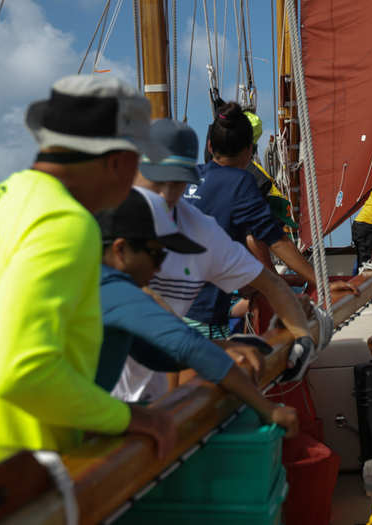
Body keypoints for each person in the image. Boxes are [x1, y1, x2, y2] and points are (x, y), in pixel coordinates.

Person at [0, 75, 176, 514]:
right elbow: (21, 370)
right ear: (115, 161)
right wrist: (129, 417)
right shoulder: (66, 223)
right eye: (138, 161)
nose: (137, 177)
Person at [113, 119, 319, 403]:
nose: (168, 193)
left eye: (178, 180)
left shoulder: (200, 230)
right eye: (158, 180)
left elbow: (271, 284)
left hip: (149, 401)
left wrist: (302, 337)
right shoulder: (100, 224)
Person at [94, 188, 299, 438]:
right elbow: (189, 348)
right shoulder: (115, 290)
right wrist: (269, 410)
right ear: (120, 250)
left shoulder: (93, 281)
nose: (160, 268)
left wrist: (220, 347)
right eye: (156, 254)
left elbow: (153, 354)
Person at [184, 101, 357, 335]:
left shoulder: (188, 178)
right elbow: (276, 240)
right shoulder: (240, 183)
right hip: (203, 318)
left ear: (209, 145)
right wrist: (322, 283)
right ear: (249, 151)